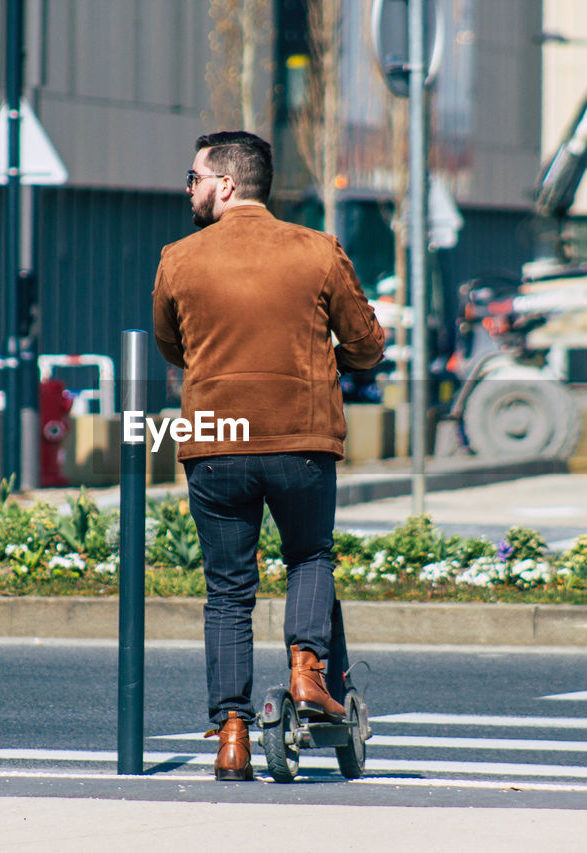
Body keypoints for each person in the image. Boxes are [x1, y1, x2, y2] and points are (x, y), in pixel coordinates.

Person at [152, 131, 386, 780]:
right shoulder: (317, 251)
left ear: (226, 184)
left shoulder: (178, 259)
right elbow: (366, 342)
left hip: (213, 440)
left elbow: (173, 348)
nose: (189, 189)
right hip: (300, 438)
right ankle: (308, 673)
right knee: (310, 554)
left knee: (227, 590)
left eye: (193, 177)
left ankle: (231, 734)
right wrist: (324, 363)